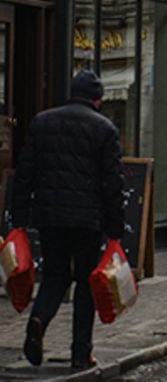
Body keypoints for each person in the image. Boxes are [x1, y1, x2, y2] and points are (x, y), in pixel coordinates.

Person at [11, 70, 124, 370]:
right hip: (88, 220)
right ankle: (80, 353)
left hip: (49, 217)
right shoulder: (105, 129)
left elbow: (24, 174)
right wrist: (116, 228)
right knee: (86, 282)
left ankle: (39, 320)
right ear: (97, 99)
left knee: (55, 276)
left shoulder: (42, 122)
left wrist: (18, 218)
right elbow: (112, 184)